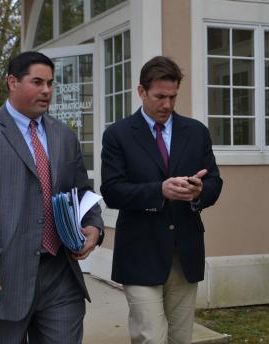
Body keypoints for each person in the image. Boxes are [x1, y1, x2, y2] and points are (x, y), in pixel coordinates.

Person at [0, 51, 104, 344]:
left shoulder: (64, 136)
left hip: (61, 275)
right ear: (13, 82)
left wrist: (94, 225)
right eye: (37, 82)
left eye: (50, 83)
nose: (46, 90)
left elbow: (81, 190)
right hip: (2, 279)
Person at [100, 56, 222, 344]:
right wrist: (160, 190)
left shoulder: (196, 132)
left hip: (185, 253)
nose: (167, 104)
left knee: (180, 338)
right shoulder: (117, 135)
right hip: (140, 252)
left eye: (173, 96)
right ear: (141, 91)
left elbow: (215, 182)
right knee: (150, 338)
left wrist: (199, 191)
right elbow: (112, 191)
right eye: (159, 96)